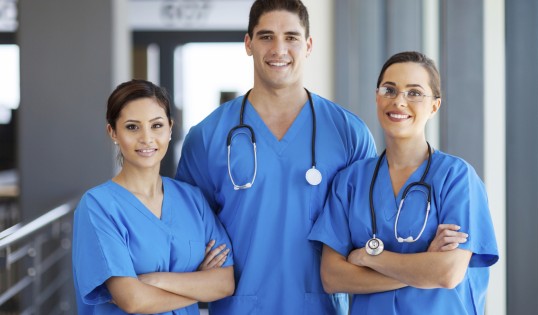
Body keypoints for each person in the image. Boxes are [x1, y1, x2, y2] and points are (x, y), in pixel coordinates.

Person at [175, 0, 377, 313]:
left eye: (292, 38)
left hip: (320, 307)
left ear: (308, 45)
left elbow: (370, 229)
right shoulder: (207, 137)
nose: (279, 49)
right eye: (266, 36)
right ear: (248, 44)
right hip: (239, 306)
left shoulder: (349, 133)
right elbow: (186, 232)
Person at [308, 51, 499, 314]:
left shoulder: (457, 178)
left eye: (414, 93)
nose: (399, 101)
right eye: (389, 90)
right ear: (377, 97)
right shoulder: (351, 181)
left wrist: (369, 257)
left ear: (434, 105)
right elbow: (332, 277)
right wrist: (422, 267)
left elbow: (447, 272)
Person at [72, 79, 235, 315]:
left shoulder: (193, 200)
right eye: (132, 127)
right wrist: (198, 283)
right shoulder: (98, 206)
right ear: (113, 132)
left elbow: (224, 283)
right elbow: (133, 301)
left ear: (170, 128)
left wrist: (154, 280)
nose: (146, 138)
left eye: (156, 125)